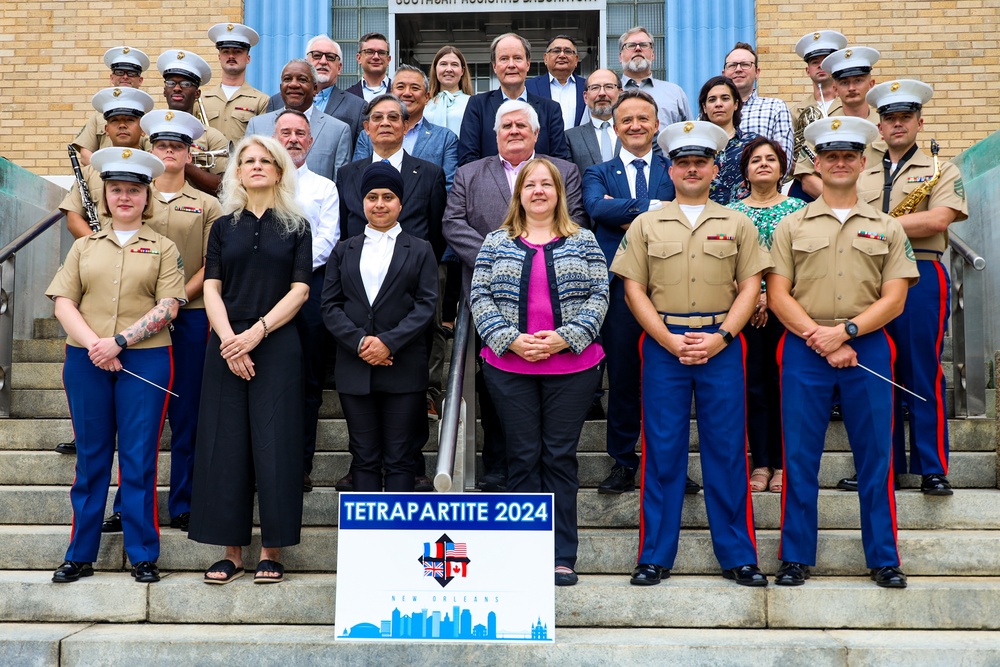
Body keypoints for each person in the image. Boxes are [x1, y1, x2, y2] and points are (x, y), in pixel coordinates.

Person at [610, 121, 770, 588]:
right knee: (662, 452)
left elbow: (750, 287)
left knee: (726, 451)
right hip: (665, 345)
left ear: (715, 167)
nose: (692, 169)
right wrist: (666, 338)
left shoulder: (736, 221)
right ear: (671, 169)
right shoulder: (645, 223)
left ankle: (738, 555)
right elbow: (634, 289)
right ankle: (655, 555)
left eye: (701, 161)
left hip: (722, 343)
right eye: (683, 162)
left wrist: (722, 336)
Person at [766, 116, 918, 589]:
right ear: (817, 162)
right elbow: (777, 293)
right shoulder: (791, 224)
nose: (839, 162)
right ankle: (795, 555)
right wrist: (821, 336)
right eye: (830, 155)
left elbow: (895, 297)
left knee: (876, 455)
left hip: (868, 347)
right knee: (800, 455)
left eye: (849, 155)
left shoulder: (886, 226)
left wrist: (847, 332)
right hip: (803, 346)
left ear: (861, 161)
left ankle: (883, 557)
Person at [47, 147, 185, 584]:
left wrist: (121, 341)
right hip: (87, 359)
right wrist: (96, 345)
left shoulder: (163, 247)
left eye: (133, 190)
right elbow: (64, 303)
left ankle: (143, 553)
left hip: (145, 359)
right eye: (116, 190)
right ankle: (80, 553)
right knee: (91, 459)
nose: (124, 197)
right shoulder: (85, 246)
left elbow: (169, 306)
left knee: (139, 458)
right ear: (105, 196)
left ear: (146, 197)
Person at [472, 158, 608, 587]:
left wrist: (566, 337)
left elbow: (600, 293)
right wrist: (509, 338)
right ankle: (523, 549)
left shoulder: (583, 240)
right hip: (509, 367)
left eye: (546, 184)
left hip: (572, 367)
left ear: (558, 193)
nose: (538, 191)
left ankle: (562, 555)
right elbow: (479, 296)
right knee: (523, 457)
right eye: (530, 185)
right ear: (520, 194)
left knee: (559, 458)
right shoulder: (496, 241)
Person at [444, 100, 587, 492]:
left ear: (537, 133)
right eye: (506, 125)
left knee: (553, 438)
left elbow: (573, 218)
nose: (514, 131)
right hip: (491, 293)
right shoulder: (469, 173)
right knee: (496, 384)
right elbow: (452, 223)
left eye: (522, 125)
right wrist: (503, 255)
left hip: (557, 304)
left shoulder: (565, 172)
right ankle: (496, 464)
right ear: (495, 133)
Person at [188, 135, 312, 586]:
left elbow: (300, 290)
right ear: (237, 171)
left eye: (266, 161)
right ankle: (231, 552)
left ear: (280, 170)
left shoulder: (297, 225)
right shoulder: (223, 226)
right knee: (226, 445)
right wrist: (228, 340)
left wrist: (256, 333)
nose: (256, 166)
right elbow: (212, 287)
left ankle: (271, 550)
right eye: (248, 161)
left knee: (276, 444)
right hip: (226, 342)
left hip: (276, 340)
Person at [853, 79, 968, 495]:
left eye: (905, 117)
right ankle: (879, 466)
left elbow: (938, 220)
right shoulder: (860, 164)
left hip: (920, 273)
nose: (897, 124)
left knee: (921, 370)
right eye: (889, 118)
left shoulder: (942, 168)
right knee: (873, 373)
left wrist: (875, 227)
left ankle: (931, 467)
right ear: (879, 126)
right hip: (865, 276)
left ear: (919, 121)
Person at [581, 89, 677, 496]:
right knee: (621, 380)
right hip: (618, 289)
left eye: (644, 119)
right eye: (627, 120)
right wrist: (653, 208)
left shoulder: (675, 168)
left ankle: (667, 465)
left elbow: (680, 208)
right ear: (615, 128)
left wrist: (625, 208)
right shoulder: (598, 173)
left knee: (666, 382)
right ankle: (623, 461)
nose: (635, 126)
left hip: (668, 288)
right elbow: (596, 209)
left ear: (657, 125)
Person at [321, 162, 439, 492]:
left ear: (401, 203)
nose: (380, 204)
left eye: (388, 197)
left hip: (403, 367)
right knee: (363, 456)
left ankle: (399, 541)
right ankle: (366, 544)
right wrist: (361, 343)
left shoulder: (420, 249)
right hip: (355, 368)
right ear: (362, 202)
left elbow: (426, 305)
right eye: (372, 197)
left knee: (402, 457)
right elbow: (330, 306)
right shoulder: (344, 250)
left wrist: (387, 342)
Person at [726, 137, 806, 493]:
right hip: (745, 313)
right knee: (755, 387)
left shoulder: (799, 210)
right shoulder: (729, 213)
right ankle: (761, 462)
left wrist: (772, 298)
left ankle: (785, 464)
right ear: (745, 169)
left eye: (770, 159)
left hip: (790, 311)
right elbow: (725, 264)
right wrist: (754, 297)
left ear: (782, 167)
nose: (762, 164)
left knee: (786, 387)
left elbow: (806, 262)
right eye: (755, 159)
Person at [273, 108, 341, 492]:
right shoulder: (257, 184)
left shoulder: (323, 188)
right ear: (274, 137)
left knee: (308, 383)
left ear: (311, 142)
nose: (294, 139)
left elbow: (329, 239)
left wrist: (291, 270)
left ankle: (299, 465)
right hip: (261, 294)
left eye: (301, 133)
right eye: (286, 132)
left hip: (310, 291)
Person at [336, 94, 446, 254]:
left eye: (393, 118)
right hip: (358, 270)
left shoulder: (431, 174)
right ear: (367, 128)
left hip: (412, 270)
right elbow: (344, 231)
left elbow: (437, 234)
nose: (385, 123)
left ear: (405, 127)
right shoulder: (347, 174)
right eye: (377, 117)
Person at [458, 33, 569, 166]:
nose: (511, 65)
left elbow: (559, 161)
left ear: (528, 64)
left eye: (517, 58)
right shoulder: (477, 105)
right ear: (494, 66)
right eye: (504, 59)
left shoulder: (550, 109)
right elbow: (468, 159)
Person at [61, 87, 155, 239]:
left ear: (143, 129)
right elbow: (73, 218)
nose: (122, 125)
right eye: (114, 120)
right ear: (106, 129)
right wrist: (99, 246)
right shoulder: (90, 172)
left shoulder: (155, 169)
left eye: (130, 120)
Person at [794, 46, 881, 200]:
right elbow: (807, 179)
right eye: (844, 82)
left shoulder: (886, 127)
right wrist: (846, 205)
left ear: (872, 84)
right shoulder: (822, 126)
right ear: (835, 87)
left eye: (858, 81)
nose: (852, 88)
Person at [354, 64, 459, 188]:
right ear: (391, 93)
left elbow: (449, 187)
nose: (407, 93)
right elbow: (357, 178)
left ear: (427, 97)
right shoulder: (369, 134)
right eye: (400, 87)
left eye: (415, 88)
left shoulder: (445, 138)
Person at [246, 59, 353, 181]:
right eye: (287, 79)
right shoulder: (257, 126)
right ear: (281, 88)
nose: (293, 84)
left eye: (302, 79)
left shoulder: (338, 130)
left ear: (315, 89)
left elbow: (340, 183)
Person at [156, 49, 230, 196]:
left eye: (185, 83)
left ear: (197, 93)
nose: (177, 88)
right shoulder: (150, 134)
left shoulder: (212, 136)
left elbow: (224, 187)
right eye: (171, 83)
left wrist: (185, 165)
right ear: (164, 91)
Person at [787, 30, 846, 202]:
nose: (820, 66)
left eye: (825, 62)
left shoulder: (851, 106)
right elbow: (788, 156)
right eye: (814, 62)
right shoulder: (796, 111)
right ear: (808, 70)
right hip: (804, 188)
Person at [72, 46, 151, 165]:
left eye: (131, 73)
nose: (125, 77)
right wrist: (108, 173)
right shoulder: (99, 115)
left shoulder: (148, 117)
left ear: (140, 80)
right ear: (112, 78)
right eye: (119, 72)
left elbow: (152, 154)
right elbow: (85, 155)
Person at [723, 42, 794, 172]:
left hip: (762, 190)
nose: (738, 69)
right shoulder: (711, 110)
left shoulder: (775, 108)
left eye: (745, 64)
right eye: (732, 65)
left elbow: (783, 161)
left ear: (757, 72)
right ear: (724, 73)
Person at [201, 22, 271, 145]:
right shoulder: (201, 100)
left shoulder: (261, 101)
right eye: (226, 51)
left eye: (237, 52)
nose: (231, 56)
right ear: (219, 56)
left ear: (248, 58)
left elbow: (264, 143)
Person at [698, 75, 759, 205]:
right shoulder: (695, 145)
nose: (718, 104)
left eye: (725, 98)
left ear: (736, 104)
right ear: (704, 107)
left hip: (746, 218)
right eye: (712, 100)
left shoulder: (754, 143)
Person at [617, 27, 691, 127]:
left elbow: (690, 135)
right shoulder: (609, 94)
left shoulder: (675, 93)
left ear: (653, 55)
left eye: (644, 45)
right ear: (620, 57)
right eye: (631, 45)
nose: (638, 49)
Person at [304, 36, 366, 142]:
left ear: (339, 68)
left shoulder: (357, 107)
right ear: (306, 63)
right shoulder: (279, 102)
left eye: (330, 57)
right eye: (317, 55)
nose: (323, 61)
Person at [524, 35, 588, 130]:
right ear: (545, 58)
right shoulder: (528, 87)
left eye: (568, 51)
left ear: (576, 60)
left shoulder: (588, 87)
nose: (562, 55)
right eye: (556, 51)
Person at [565, 69, 622, 173]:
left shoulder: (634, 131)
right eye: (595, 88)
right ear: (585, 97)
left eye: (609, 87)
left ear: (620, 93)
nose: (602, 93)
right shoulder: (570, 137)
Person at [424, 46, 474, 137]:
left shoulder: (472, 103)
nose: (449, 69)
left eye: (454, 64)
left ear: (462, 71)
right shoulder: (425, 103)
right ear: (435, 69)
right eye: (443, 64)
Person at [346, 33, 392, 101]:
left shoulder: (399, 93)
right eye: (369, 52)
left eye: (381, 52)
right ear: (359, 58)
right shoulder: (347, 96)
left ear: (388, 59)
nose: (376, 57)